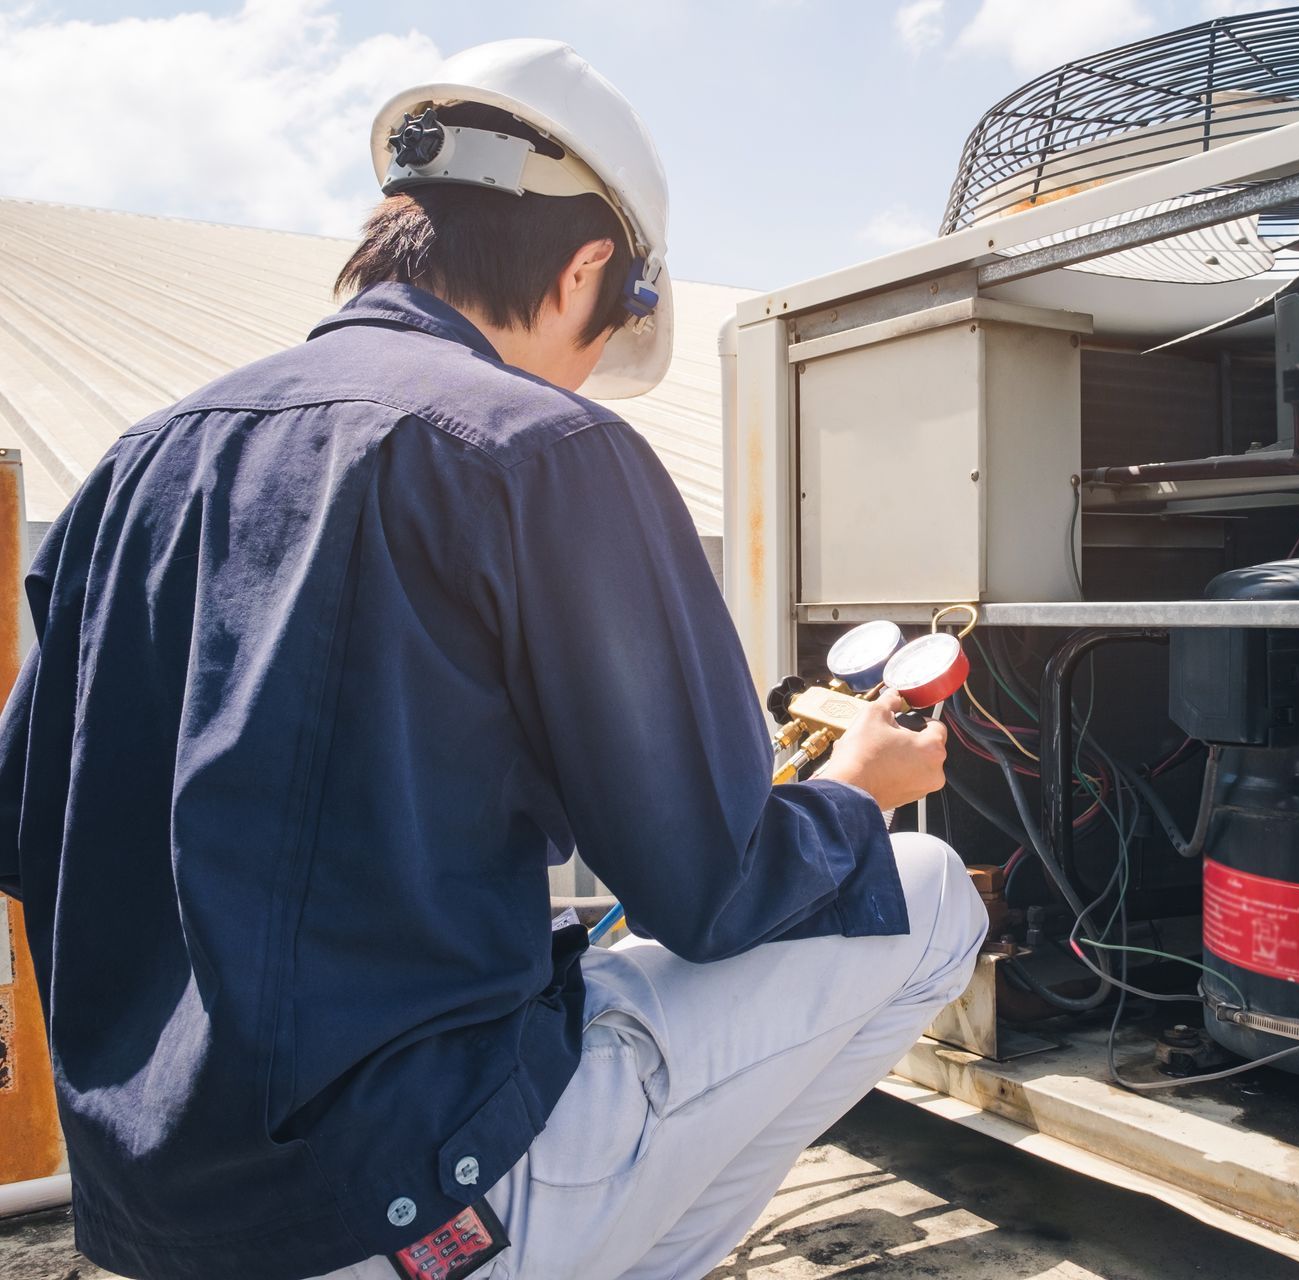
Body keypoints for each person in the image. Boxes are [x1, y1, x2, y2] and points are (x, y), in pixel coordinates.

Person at [0, 38, 984, 1280]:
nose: (587, 378)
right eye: (604, 334)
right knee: (932, 886)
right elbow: (711, 887)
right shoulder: (545, 449)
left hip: (157, 1220)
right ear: (587, 269)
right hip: (408, 1195)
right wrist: (855, 789)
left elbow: (29, 824)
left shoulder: (136, 466)